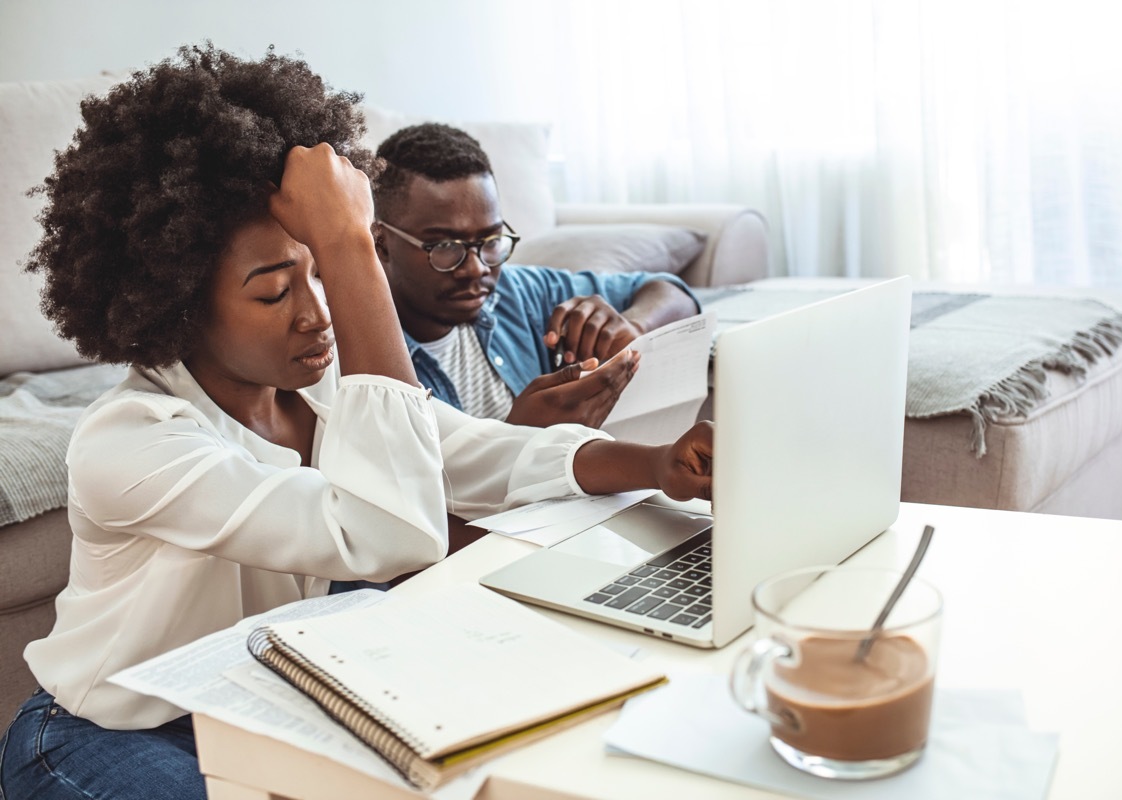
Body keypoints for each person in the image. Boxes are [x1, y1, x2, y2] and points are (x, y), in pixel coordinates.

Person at [0, 44, 712, 800]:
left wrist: (657, 464)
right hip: (108, 735)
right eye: (276, 294)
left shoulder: (318, 394)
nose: (318, 315)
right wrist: (346, 248)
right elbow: (390, 530)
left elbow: (477, 454)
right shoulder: (133, 442)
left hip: (265, 699)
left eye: (320, 273)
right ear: (176, 305)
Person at [371, 122, 702, 428]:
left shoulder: (519, 293)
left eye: (491, 240)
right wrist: (523, 437)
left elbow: (672, 293)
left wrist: (634, 326)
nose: (477, 268)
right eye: (444, 246)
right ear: (381, 243)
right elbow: (422, 483)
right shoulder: (365, 356)